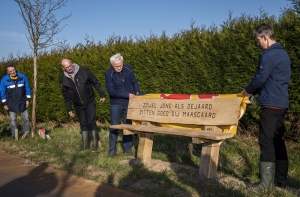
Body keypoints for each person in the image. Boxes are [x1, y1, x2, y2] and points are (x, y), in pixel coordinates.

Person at [242, 23, 291, 189]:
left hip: (270, 104)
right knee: (278, 140)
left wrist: (246, 91)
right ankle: (281, 180)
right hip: (281, 103)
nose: (258, 44)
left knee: (266, 142)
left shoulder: (268, 55)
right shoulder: (284, 54)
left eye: (258, 40)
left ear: (265, 37)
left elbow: (260, 79)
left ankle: (266, 184)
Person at [60, 58, 106, 152]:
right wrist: (69, 109)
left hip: (89, 101)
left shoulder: (84, 71)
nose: (70, 68)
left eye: (70, 65)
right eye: (67, 67)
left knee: (91, 122)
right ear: (63, 68)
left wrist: (102, 94)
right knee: (83, 123)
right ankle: (85, 146)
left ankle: (95, 146)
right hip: (77, 105)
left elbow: (95, 82)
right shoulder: (63, 79)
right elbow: (66, 95)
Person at [105, 53, 140, 157]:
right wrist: (127, 94)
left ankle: (127, 149)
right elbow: (112, 91)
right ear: (112, 65)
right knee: (114, 126)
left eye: (120, 65)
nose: (119, 68)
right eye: (116, 66)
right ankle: (112, 150)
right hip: (116, 104)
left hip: (129, 103)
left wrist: (137, 92)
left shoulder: (128, 69)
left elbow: (134, 82)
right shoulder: (108, 74)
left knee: (128, 126)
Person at [0, 63, 31, 141]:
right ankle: (15, 136)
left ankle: (26, 135)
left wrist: (28, 100)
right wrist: (4, 104)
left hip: (22, 102)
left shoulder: (23, 77)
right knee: (13, 120)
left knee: (26, 119)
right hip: (11, 103)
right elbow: (2, 92)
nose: (13, 72)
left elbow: (27, 88)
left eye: (14, 70)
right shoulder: (4, 80)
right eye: (11, 71)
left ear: (15, 69)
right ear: (8, 72)